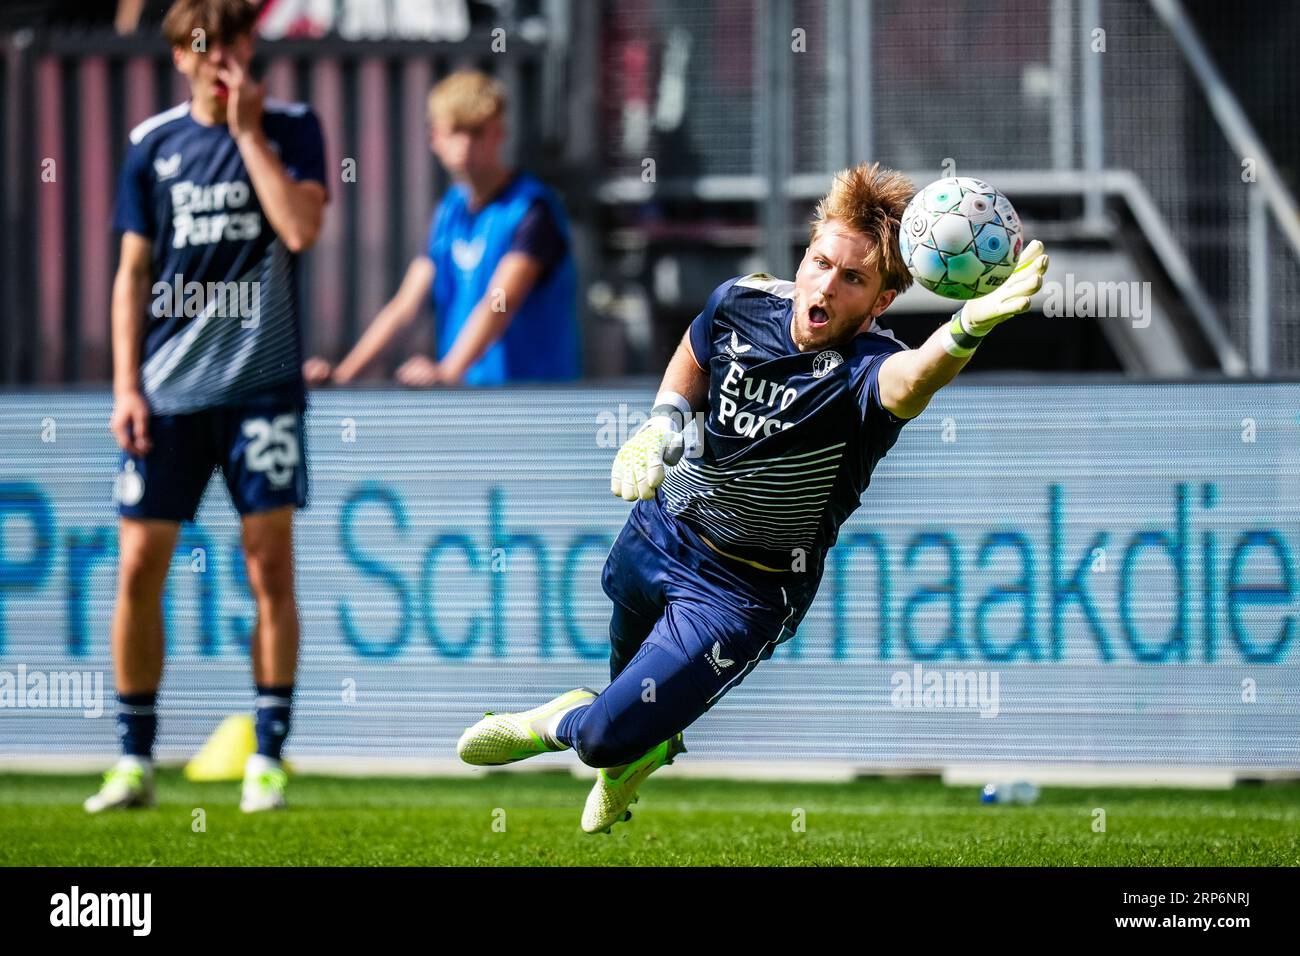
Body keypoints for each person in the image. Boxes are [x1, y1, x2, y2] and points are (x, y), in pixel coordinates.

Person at [456, 162, 1049, 833]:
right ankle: (633, 752)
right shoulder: (744, 300)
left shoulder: (866, 372)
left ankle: (549, 721)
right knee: (632, 718)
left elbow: (914, 379)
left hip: (741, 594)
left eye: (852, 278)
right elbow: (696, 346)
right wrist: (664, 421)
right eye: (820, 261)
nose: (825, 284)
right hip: (661, 531)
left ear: (880, 301)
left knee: (599, 736)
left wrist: (966, 330)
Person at [86, 0, 327, 814]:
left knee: (269, 567)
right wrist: (124, 386)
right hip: (168, 392)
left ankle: (268, 754)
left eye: (232, 43)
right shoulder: (151, 146)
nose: (220, 59)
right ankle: (133, 758)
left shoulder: (292, 127)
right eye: (203, 46)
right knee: (136, 568)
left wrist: (250, 135)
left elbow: (298, 229)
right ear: (180, 57)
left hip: (261, 389)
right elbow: (130, 273)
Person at [303, 69, 578, 388]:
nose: (465, 144)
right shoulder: (449, 212)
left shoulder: (532, 210)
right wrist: (342, 375)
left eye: (476, 132)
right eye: (455, 131)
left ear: (499, 132)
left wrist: (448, 370)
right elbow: (405, 307)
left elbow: (500, 300)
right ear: (435, 137)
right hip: (467, 405)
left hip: (533, 408)